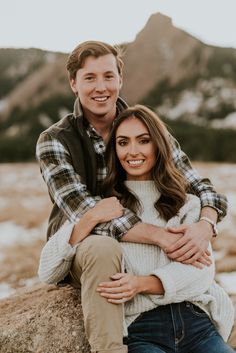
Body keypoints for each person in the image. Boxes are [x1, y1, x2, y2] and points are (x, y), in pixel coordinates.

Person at [36, 41, 228, 353]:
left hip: (164, 289)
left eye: (109, 76)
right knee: (102, 247)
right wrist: (162, 238)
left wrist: (204, 227)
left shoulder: (146, 126)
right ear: (74, 83)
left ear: (120, 80)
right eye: (90, 78)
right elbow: (84, 210)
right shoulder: (55, 141)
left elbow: (200, 188)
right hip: (84, 243)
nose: (101, 87)